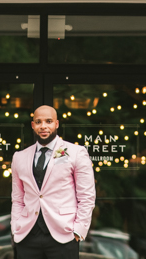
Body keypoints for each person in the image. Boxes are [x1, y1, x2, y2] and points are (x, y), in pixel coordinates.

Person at [10, 105, 96, 259]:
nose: (43, 126)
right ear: (33, 125)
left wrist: (78, 230)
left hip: (64, 235)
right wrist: (15, 227)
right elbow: (17, 198)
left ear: (56, 124)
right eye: (38, 122)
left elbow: (87, 196)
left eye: (48, 121)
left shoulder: (76, 153)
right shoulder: (19, 157)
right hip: (28, 236)